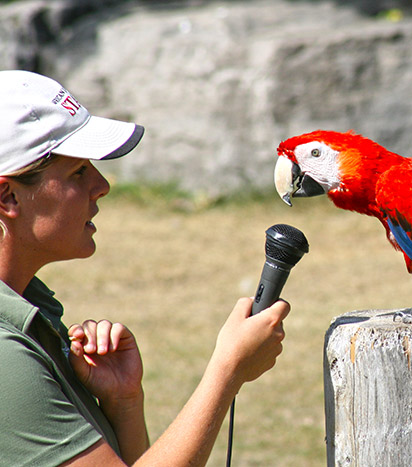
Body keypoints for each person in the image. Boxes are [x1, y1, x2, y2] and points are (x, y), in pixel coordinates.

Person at [0, 70, 290, 466]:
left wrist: (123, 403)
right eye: (78, 171)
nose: (101, 184)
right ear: (7, 196)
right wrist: (227, 371)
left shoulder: (28, 306)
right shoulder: (6, 359)